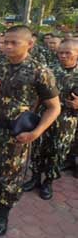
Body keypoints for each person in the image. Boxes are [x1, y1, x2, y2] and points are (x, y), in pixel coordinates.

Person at [0, 25, 60, 236]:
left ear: (30, 44)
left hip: (17, 135)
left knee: (11, 178)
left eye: (13, 42)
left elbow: (54, 107)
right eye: (5, 41)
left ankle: (2, 214)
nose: (7, 46)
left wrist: (36, 133)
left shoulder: (40, 72)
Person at [24, 40, 78, 199]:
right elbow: (37, 94)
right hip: (44, 115)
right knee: (38, 147)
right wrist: (32, 112)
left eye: (67, 52)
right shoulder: (49, 70)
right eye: (60, 52)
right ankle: (34, 178)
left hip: (66, 120)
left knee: (57, 151)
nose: (63, 55)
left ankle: (48, 182)